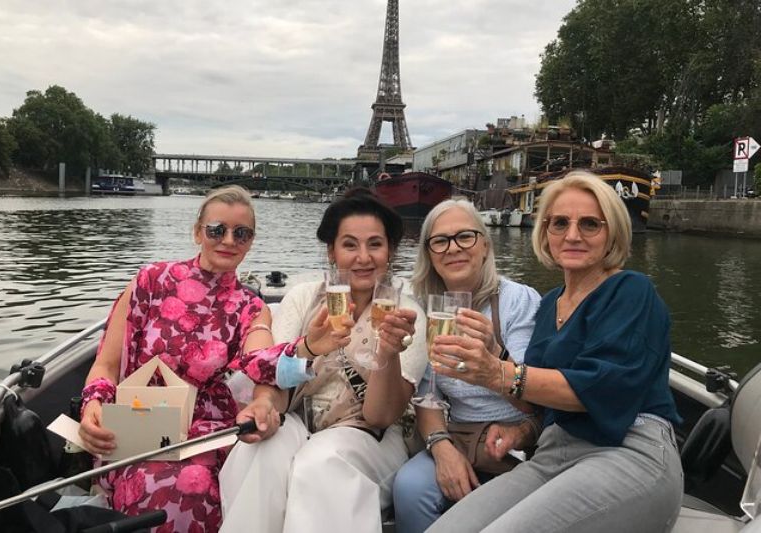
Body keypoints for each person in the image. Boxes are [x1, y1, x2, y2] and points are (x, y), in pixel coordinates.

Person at [426, 171, 683, 533]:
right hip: (553, 455)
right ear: (545, 232)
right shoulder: (549, 306)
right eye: (559, 223)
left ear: (612, 234)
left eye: (590, 224)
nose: (573, 235)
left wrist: (498, 372)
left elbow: (602, 388)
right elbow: (538, 405)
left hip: (630, 451)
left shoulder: (630, 290)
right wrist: (499, 365)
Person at [77, 185, 341, 532]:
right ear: (198, 232)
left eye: (241, 233)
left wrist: (307, 348)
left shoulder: (250, 307)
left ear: (250, 241)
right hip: (138, 424)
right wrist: (93, 404)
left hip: (207, 433)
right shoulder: (150, 282)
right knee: (156, 477)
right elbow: (107, 364)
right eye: (217, 230)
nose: (229, 240)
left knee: (193, 482)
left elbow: (260, 361)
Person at [219, 188, 427, 533]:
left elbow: (380, 416)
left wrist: (388, 353)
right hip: (302, 420)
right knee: (259, 453)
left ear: (389, 251)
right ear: (332, 251)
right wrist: (266, 404)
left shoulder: (406, 314)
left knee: (320, 463)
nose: (363, 257)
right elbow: (275, 379)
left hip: (372, 436)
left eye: (375, 244)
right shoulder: (303, 299)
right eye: (350, 245)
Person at [392, 199, 541, 533]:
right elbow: (427, 396)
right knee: (409, 488)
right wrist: (441, 447)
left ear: (485, 245)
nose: (453, 248)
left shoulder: (518, 301)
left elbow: (539, 401)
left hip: (523, 438)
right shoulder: (428, 309)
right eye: (441, 241)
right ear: (429, 254)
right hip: (460, 435)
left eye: (465, 237)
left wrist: (495, 359)